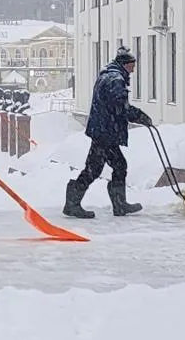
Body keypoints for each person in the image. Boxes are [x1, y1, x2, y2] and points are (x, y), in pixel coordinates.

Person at [64, 47, 151, 218]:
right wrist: (140, 116)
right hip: (105, 133)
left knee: (116, 166)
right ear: (124, 64)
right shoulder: (115, 80)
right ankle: (73, 203)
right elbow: (120, 107)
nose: (133, 70)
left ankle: (119, 204)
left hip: (103, 131)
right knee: (95, 169)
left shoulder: (109, 75)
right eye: (132, 66)